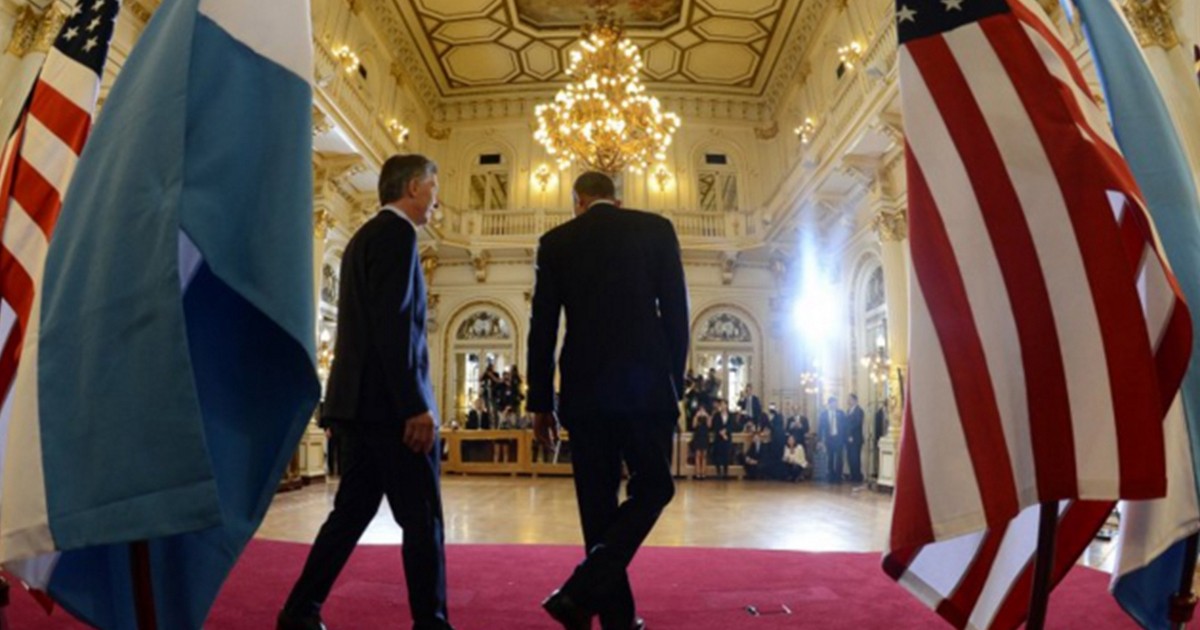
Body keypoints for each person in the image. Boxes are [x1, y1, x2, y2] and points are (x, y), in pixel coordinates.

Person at [277, 155, 453, 630]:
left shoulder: (363, 238)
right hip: (392, 412)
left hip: (358, 408)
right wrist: (414, 404)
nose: (436, 201)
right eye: (433, 188)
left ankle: (299, 611)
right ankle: (432, 624)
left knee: (351, 514)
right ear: (414, 187)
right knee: (423, 520)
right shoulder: (398, 236)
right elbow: (394, 328)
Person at [528, 171, 689, 630]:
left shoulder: (557, 241)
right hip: (645, 390)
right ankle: (596, 606)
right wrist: (673, 383)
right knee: (654, 488)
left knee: (596, 505)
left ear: (577, 201)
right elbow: (676, 315)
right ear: (615, 199)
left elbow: (543, 327)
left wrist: (541, 401)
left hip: (585, 393)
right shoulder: (655, 229)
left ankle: (592, 602)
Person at [818, 396, 846, 483]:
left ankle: (838, 476)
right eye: (833, 403)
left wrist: (845, 438)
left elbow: (845, 426)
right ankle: (831, 475)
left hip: (839, 438)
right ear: (829, 404)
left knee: (839, 458)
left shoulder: (841, 413)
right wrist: (820, 440)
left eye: (836, 403)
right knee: (830, 457)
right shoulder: (824, 414)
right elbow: (820, 427)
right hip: (829, 438)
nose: (835, 405)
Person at [845, 393, 865, 484]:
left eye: (850, 399)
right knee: (850, 458)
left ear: (855, 400)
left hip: (856, 438)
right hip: (848, 439)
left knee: (855, 458)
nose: (848, 401)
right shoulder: (848, 410)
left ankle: (857, 476)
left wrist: (850, 434)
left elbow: (857, 423)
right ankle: (852, 475)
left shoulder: (859, 411)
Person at [711, 398, 732, 480]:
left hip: (727, 438)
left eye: (724, 404)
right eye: (721, 404)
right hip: (718, 438)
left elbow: (732, 425)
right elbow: (715, 425)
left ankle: (726, 473)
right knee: (718, 455)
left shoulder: (730, 415)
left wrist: (726, 431)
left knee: (726, 455)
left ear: (726, 405)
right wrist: (721, 432)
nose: (722, 406)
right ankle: (719, 472)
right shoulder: (717, 415)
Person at [691, 407, 710, 480]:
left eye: (703, 410)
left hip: (705, 436)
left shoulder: (707, 417)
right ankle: (697, 473)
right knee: (697, 455)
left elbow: (709, 425)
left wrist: (707, 416)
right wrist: (696, 416)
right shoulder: (696, 417)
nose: (702, 411)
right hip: (697, 436)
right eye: (700, 410)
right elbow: (693, 425)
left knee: (704, 455)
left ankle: (703, 473)